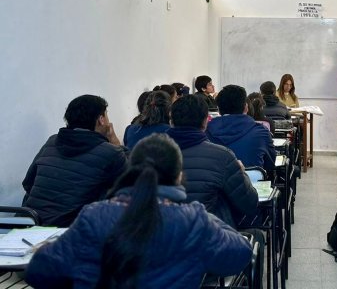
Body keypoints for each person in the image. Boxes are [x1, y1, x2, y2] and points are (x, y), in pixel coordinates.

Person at [25, 134, 253, 289]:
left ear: (130, 170)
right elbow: (240, 254)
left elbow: (39, 272)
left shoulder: (93, 215)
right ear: (178, 176)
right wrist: (204, 215)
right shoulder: (194, 220)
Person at [22, 95, 127, 227]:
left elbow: (28, 184)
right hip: (72, 229)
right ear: (101, 120)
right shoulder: (111, 152)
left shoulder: (52, 141)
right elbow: (129, 190)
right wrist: (116, 144)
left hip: (30, 223)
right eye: (106, 115)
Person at [167, 95, 258, 228]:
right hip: (210, 237)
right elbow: (249, 203)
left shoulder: (148, 153)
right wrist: (241, 173)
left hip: (162, 240)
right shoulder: (223, 156)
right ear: (205, 122)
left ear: (171, 121)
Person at [206, 85, 276, 171]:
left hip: (215, 182)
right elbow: (270, 165)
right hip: (253, 183)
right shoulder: (261, 132)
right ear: (246, 107)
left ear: (219, 109)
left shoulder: (206, 132)